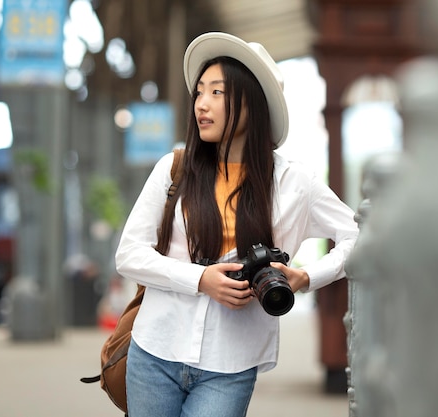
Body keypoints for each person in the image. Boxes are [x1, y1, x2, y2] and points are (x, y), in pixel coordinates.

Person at [115, 32, 359, 417]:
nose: (201, 104)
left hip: (230, 365)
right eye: (199, 93)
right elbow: (128, 255)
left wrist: (305, 277)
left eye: (217, 92)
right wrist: (200, 279)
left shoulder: (295, 182)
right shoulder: (174, 168)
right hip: (155, 351)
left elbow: (360, 236)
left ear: (252, 103)